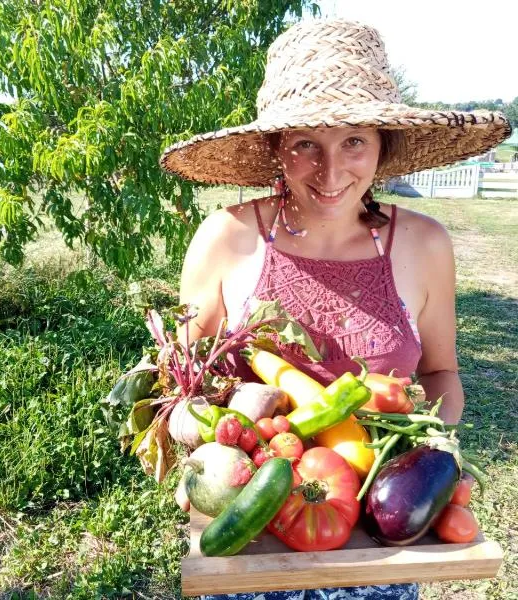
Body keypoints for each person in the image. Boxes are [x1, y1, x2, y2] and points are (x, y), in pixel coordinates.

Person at [161, 18, 510, 600]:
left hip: (380, 544)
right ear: (276, 147)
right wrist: (195, 455)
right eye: (305, 144)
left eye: (354, 141)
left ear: (383, 145)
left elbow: (441, 375)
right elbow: (182, 383)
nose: (330, 170)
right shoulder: (226, 237)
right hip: (253, 537)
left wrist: (433, 455)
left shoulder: (424, 244)